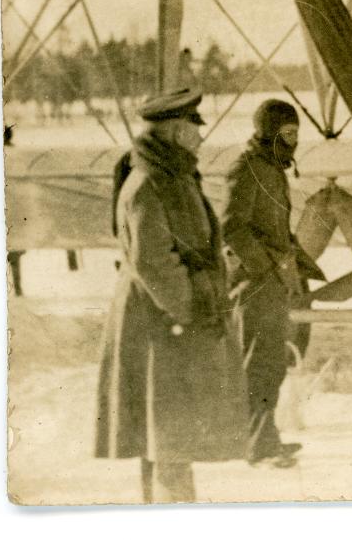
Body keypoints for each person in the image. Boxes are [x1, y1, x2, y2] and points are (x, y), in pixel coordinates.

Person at [94, 89, 246, 503]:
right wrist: (193, 308)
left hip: (169, 321)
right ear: (177, 132)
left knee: (166, 436)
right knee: (169, 437)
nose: (201, 137)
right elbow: (154, 262)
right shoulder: (149, 183)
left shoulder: (173, 177)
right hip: (162, 323)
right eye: (195, 129)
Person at [222, 99, 323, 467]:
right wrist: (263, 268)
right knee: (257, 366)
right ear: (269, 132)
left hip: (273, 283)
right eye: (287, 133)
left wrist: (291, 266)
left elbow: (275, 229)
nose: (293, 141)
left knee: (271, 366)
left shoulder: (271, 168)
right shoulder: (247, 168)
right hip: (255, 285)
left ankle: (266, 439)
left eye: (296, 134)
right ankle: (256, 447)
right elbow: (231, 226)